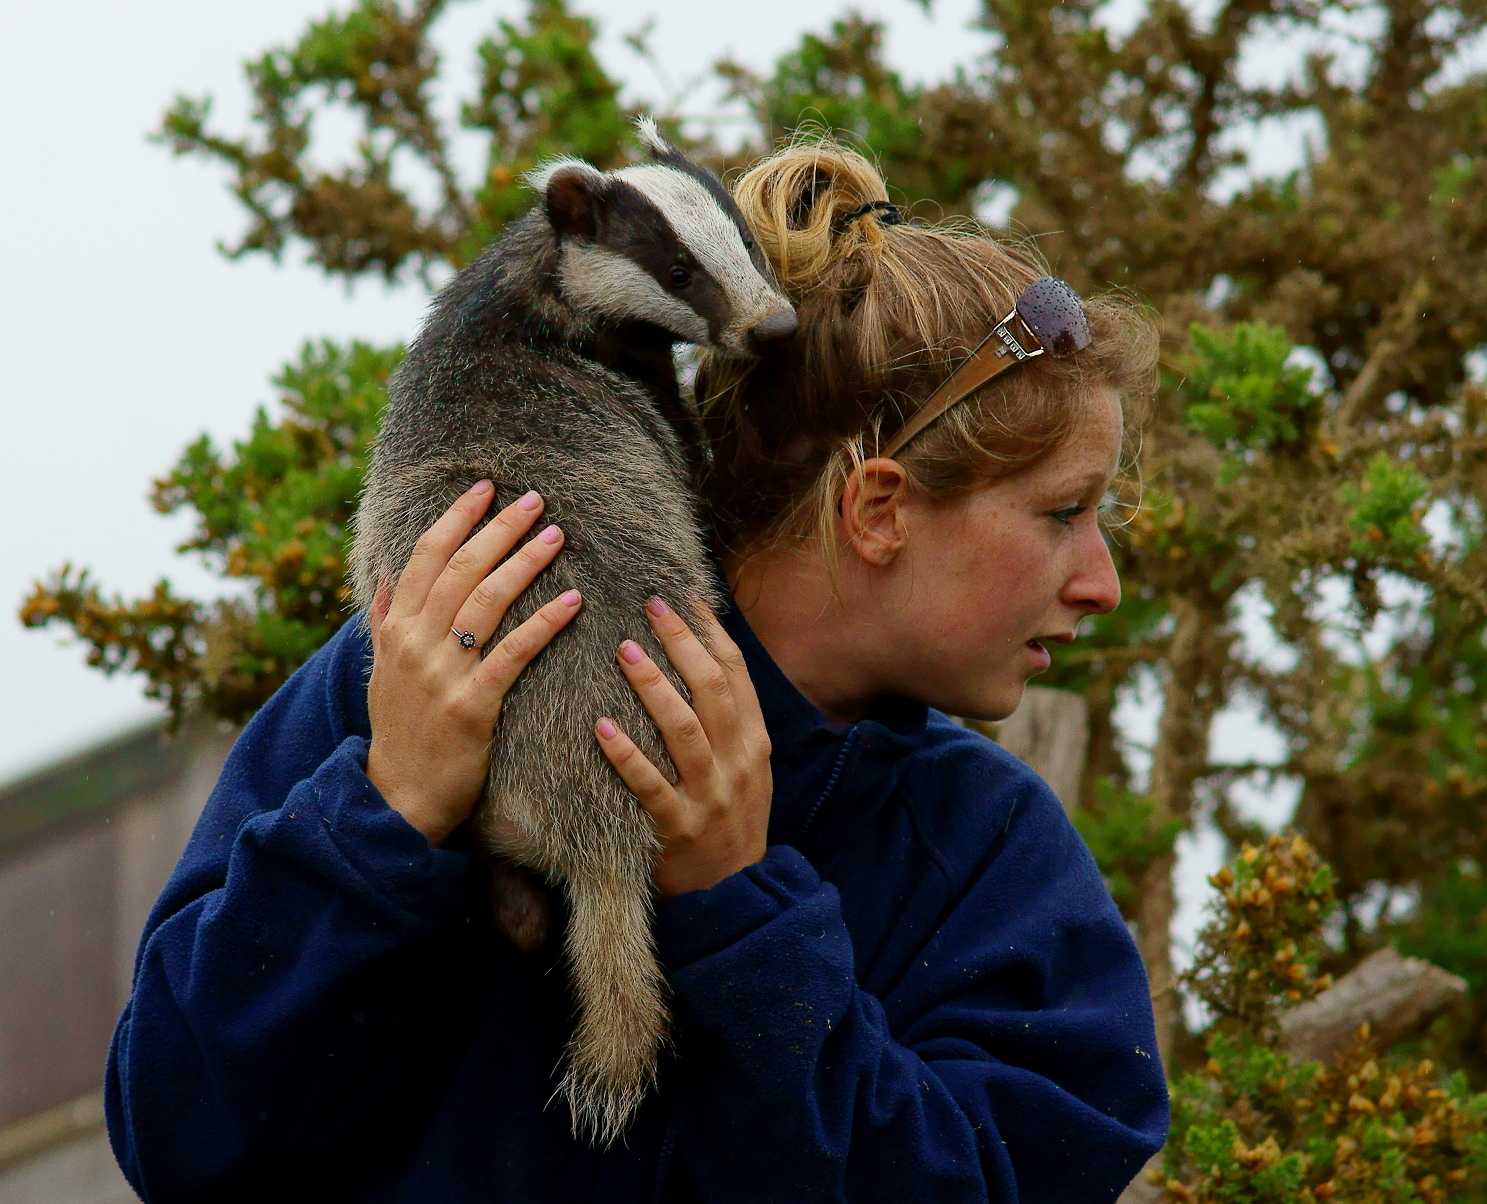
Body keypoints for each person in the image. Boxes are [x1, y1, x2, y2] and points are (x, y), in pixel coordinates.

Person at [104, 137, 1167, 1203]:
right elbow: (177, 1133)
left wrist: (743, 919)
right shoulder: (431, 666)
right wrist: (384, 816)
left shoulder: (988, 856)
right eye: (1063, 514)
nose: (1100, 581)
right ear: (877, 507)